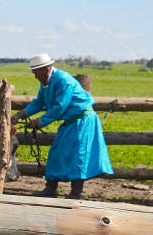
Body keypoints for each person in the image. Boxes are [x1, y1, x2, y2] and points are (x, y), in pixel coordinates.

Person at [20, 53, 112, 198]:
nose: (35, 76)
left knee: (78, 155)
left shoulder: (64, 80)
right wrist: (21, 115)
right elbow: (40, 102)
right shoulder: (46, 82)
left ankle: (76, 193)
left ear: (46, 69)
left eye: (36, 73)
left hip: (82, 121)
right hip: (71, 121)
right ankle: (50, 189)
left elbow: (60, 106)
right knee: (56, 151)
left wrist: (40, 122)